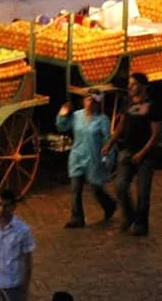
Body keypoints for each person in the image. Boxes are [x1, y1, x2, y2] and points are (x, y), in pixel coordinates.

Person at [105, 71, 157, 236]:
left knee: (143, 193)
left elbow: (155, 134)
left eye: (134, 84)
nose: (130, 87)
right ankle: (129, 215)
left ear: (142, 86)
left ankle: (141, 225)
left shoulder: (152, 106)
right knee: (120, 186)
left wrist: (142, 153)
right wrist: (110, 142)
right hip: (127, 151)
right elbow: (122, 124)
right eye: (130, 84)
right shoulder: (127, 102)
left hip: (145, 155)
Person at [58, 92, 115, 228]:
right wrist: (62, 114)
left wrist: (109, 160)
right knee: (76, 188)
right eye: (87, 100)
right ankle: (77, 217)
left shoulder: (102, 120)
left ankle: (109, 205)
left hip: (94, 158)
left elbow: (108, 141)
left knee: (96, 188)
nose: (89, 103)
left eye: (92, 101)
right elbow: (62, 127)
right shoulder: (77, 116)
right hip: (77, 156)